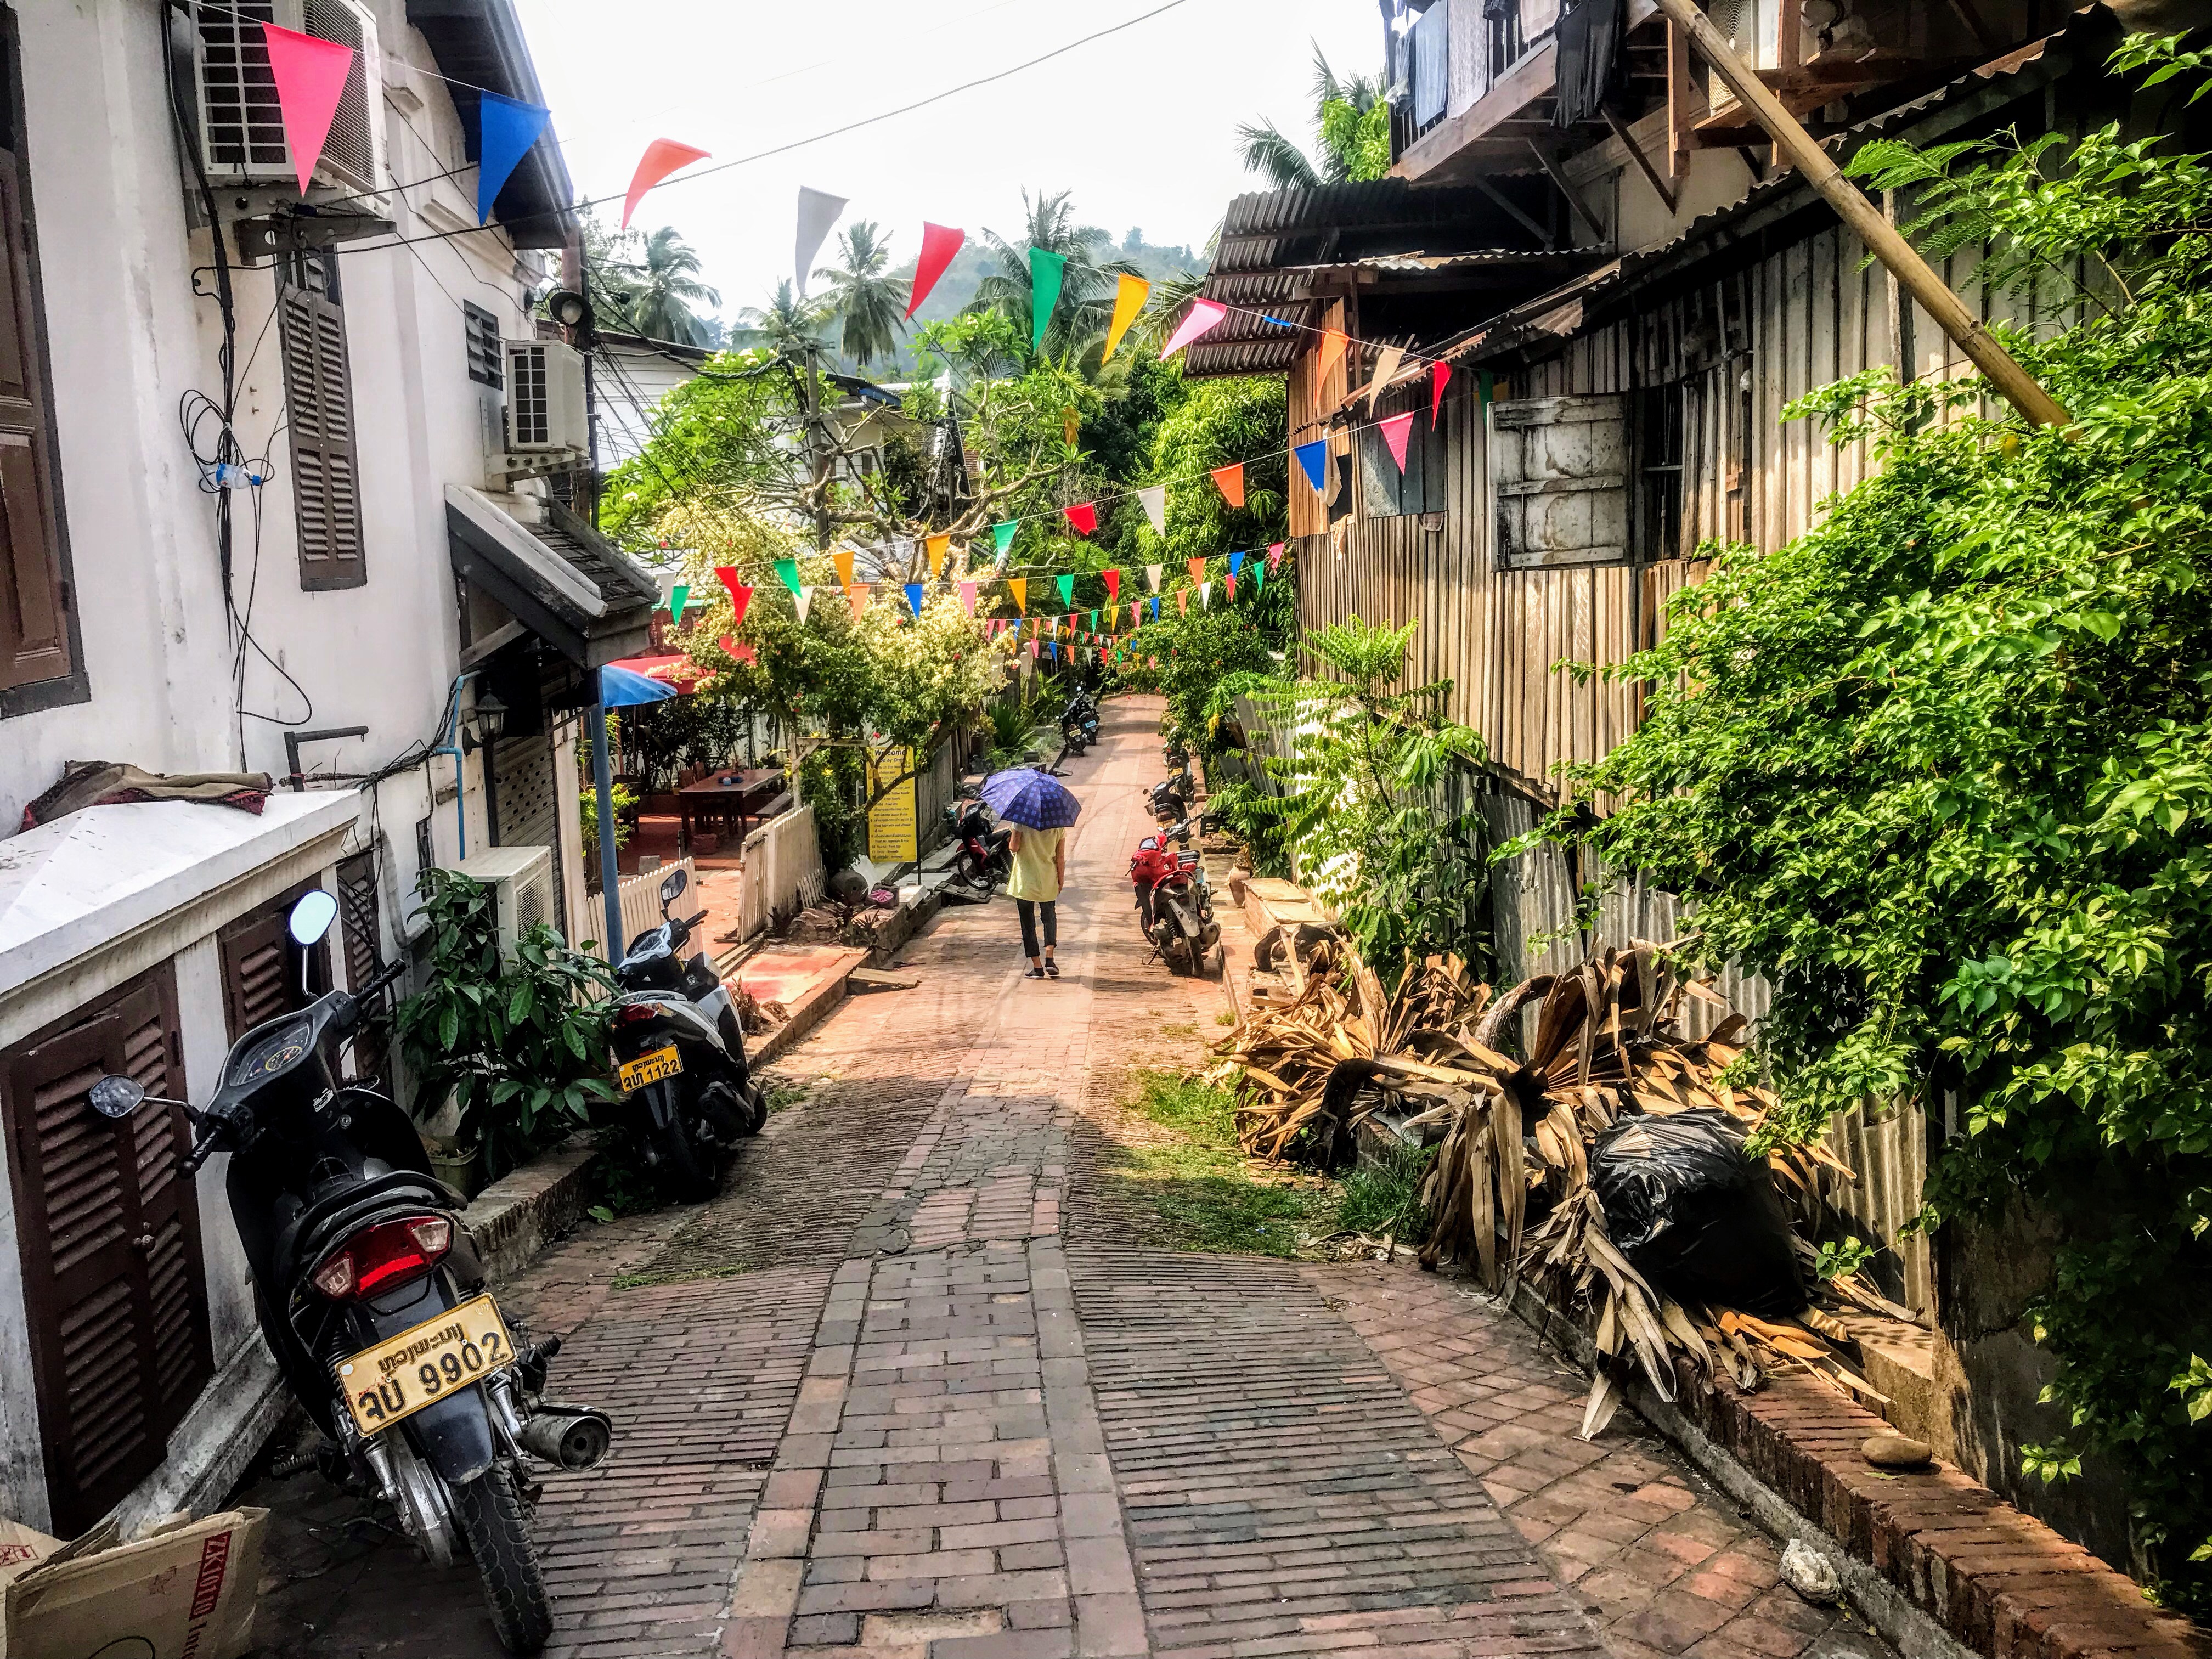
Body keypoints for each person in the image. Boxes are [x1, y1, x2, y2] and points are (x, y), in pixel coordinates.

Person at [1007, 821, 1066, 979]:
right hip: (1047, 879)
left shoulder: (1021, 821)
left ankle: (1037, 966)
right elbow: (1060, 856)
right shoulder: (1058, 825)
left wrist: (1013, 834)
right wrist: (1061, 879)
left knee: (1028, 923)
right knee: (1049, 917)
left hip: (1025, 881)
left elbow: (1014, 847)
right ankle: (1050, 958)